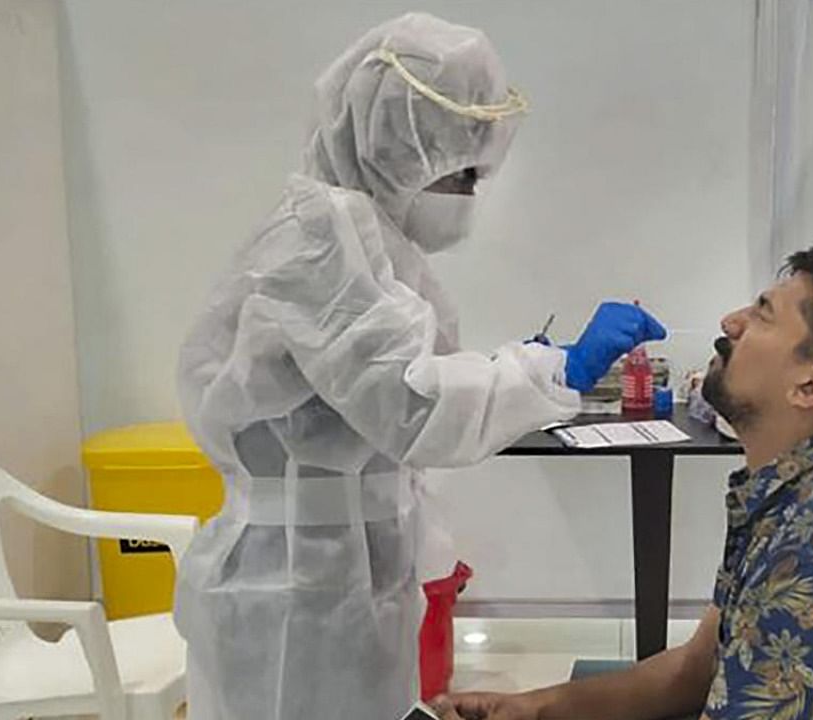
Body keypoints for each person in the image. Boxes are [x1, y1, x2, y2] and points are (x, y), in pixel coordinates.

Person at [174, 13, 665, 720]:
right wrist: (555, 369)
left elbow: (395, 372)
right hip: (288, 591)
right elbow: (412, 405)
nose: (469, 193)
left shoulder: (374, 239)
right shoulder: (319, 238)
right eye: (459, 172)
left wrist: (514, 365)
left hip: (344, 573)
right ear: (394, 149)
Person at [433, 245, 813, 720]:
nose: (731, 322)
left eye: (763, 315)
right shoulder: (788, 492)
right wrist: (533, 708)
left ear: (810, 385)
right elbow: (697, 668)